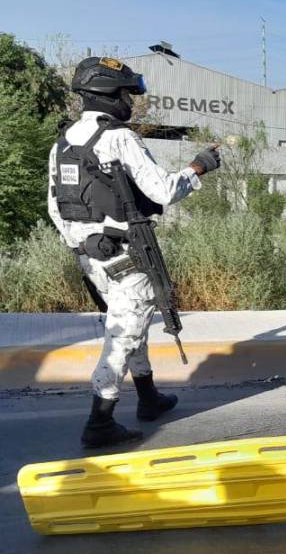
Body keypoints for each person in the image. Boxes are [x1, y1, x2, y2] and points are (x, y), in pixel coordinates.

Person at [47, 56, 221, 448]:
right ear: (110, 95)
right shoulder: (119, 137)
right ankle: (100, 421)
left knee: (131, 321)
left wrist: (84, 242)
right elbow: (162, 191)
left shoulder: (63, 142)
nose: (130, 101)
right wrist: (199, 167)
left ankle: (148, 397)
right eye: (127, 93)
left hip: (91, 257)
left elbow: (54, 206)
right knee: (124, 333)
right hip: (127, 253)